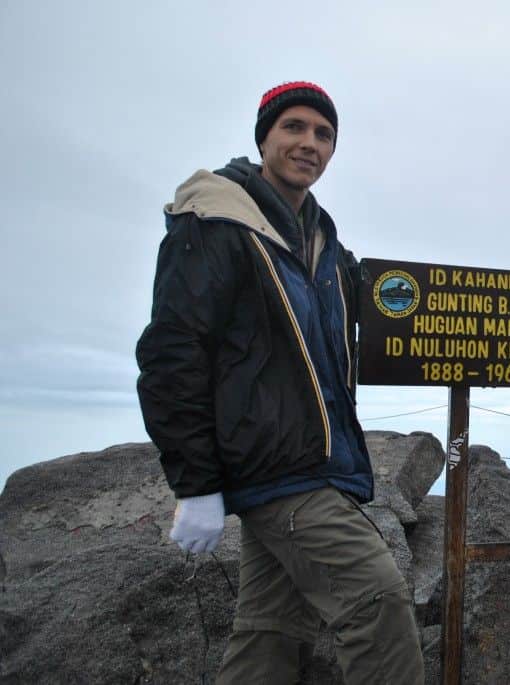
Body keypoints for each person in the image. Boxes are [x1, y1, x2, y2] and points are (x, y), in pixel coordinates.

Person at [137, 81, 425, 684]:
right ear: (264, 136)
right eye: (294, 127)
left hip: (313, 466)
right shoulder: (216, 223)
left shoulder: (321, 239)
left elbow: (389, 311)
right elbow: (172, 352)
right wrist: (195, 484)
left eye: (323, 134)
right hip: (277, 471)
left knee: (270, 633)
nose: (309, 144)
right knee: (378, 602)